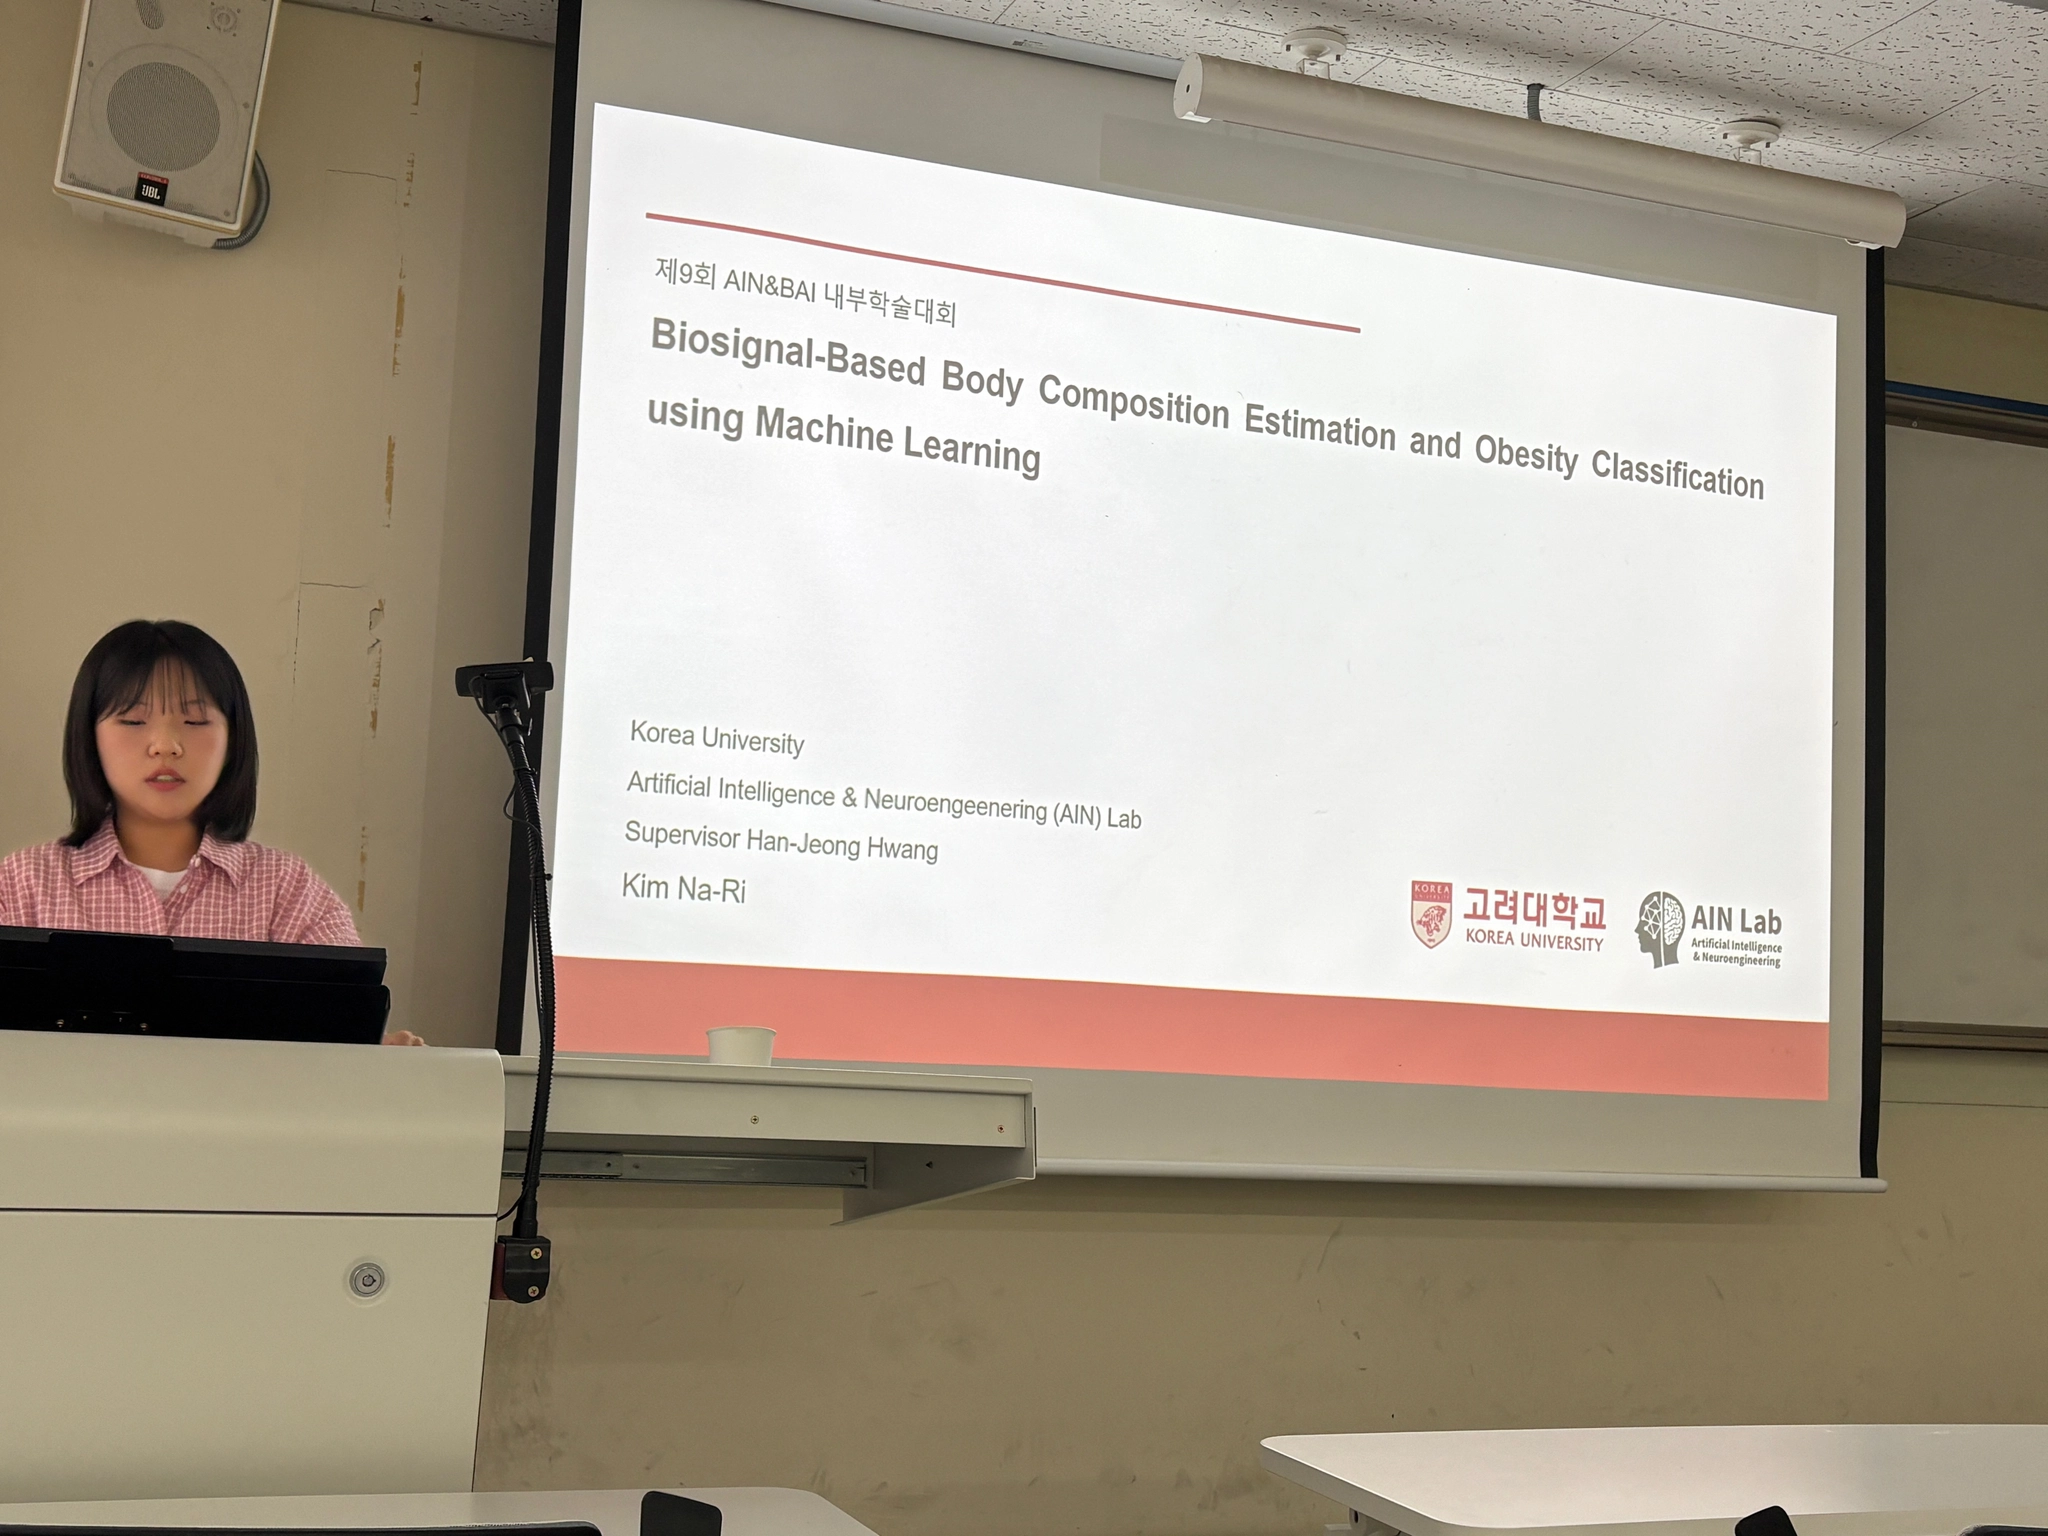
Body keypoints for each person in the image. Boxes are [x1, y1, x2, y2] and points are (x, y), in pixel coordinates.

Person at [0, 619, 423, 1045]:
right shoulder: (20, 886)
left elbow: (345, 1031)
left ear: (232, 740)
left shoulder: (287, 890)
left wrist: (377, 1051)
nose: (165, 745)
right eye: (132, 720)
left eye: (196, 720)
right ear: (89, 737)